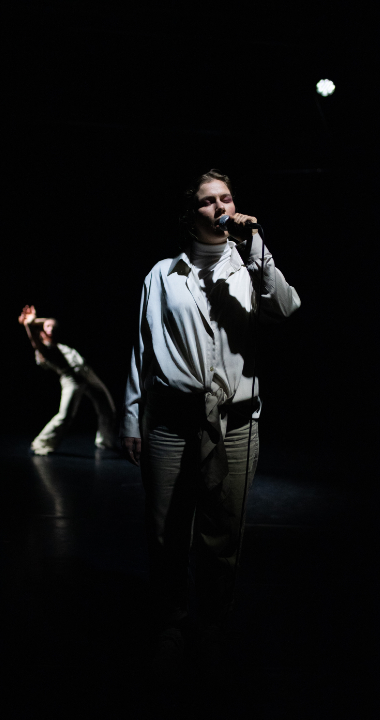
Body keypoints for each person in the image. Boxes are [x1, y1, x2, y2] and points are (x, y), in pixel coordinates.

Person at [120, 169, 301, 673]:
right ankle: (170, 624)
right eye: (207, 200)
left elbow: (286, 307)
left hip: (236, 423)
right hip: (169, 422)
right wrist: (131, 417)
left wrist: (256, 241)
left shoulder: (248, 266)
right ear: (190, 213)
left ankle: (212, 624)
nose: (220, 207)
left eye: (227, 197)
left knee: (223, 533)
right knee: (167, 531)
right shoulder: (163, 273)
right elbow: (142, 348)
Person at [18, 305, 117, 454]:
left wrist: (36, 320)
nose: (51, 329)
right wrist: (29, 323)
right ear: (42, 331)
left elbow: (52, 321)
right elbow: (35, 340)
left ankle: (106, 441)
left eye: (53, 327)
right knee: (65, 415)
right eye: (47, 327)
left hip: (87, 374)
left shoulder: (59, 343)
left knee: (107, 407)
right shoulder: (44, 349)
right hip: (72, 379)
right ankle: (40, 444)